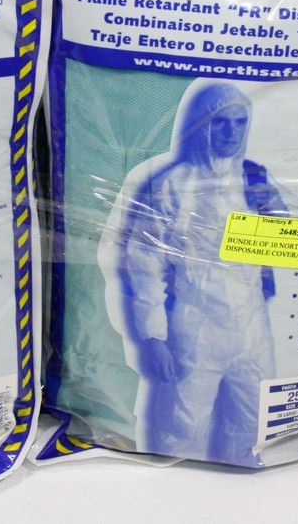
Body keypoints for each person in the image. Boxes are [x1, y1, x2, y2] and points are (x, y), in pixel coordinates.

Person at [104, 81, 286, 466]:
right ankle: (176, 492)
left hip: (253, 329)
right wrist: (153, 337)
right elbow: (144, 263)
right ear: (202, 125)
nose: (232, 132)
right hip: (195, 329)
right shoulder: (172, 186)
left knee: (253, 422)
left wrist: (275, 209)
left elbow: (291, 244)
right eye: (221, 122)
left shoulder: (254, 181)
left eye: (240, 122)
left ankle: (243, 485)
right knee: (182, 426)